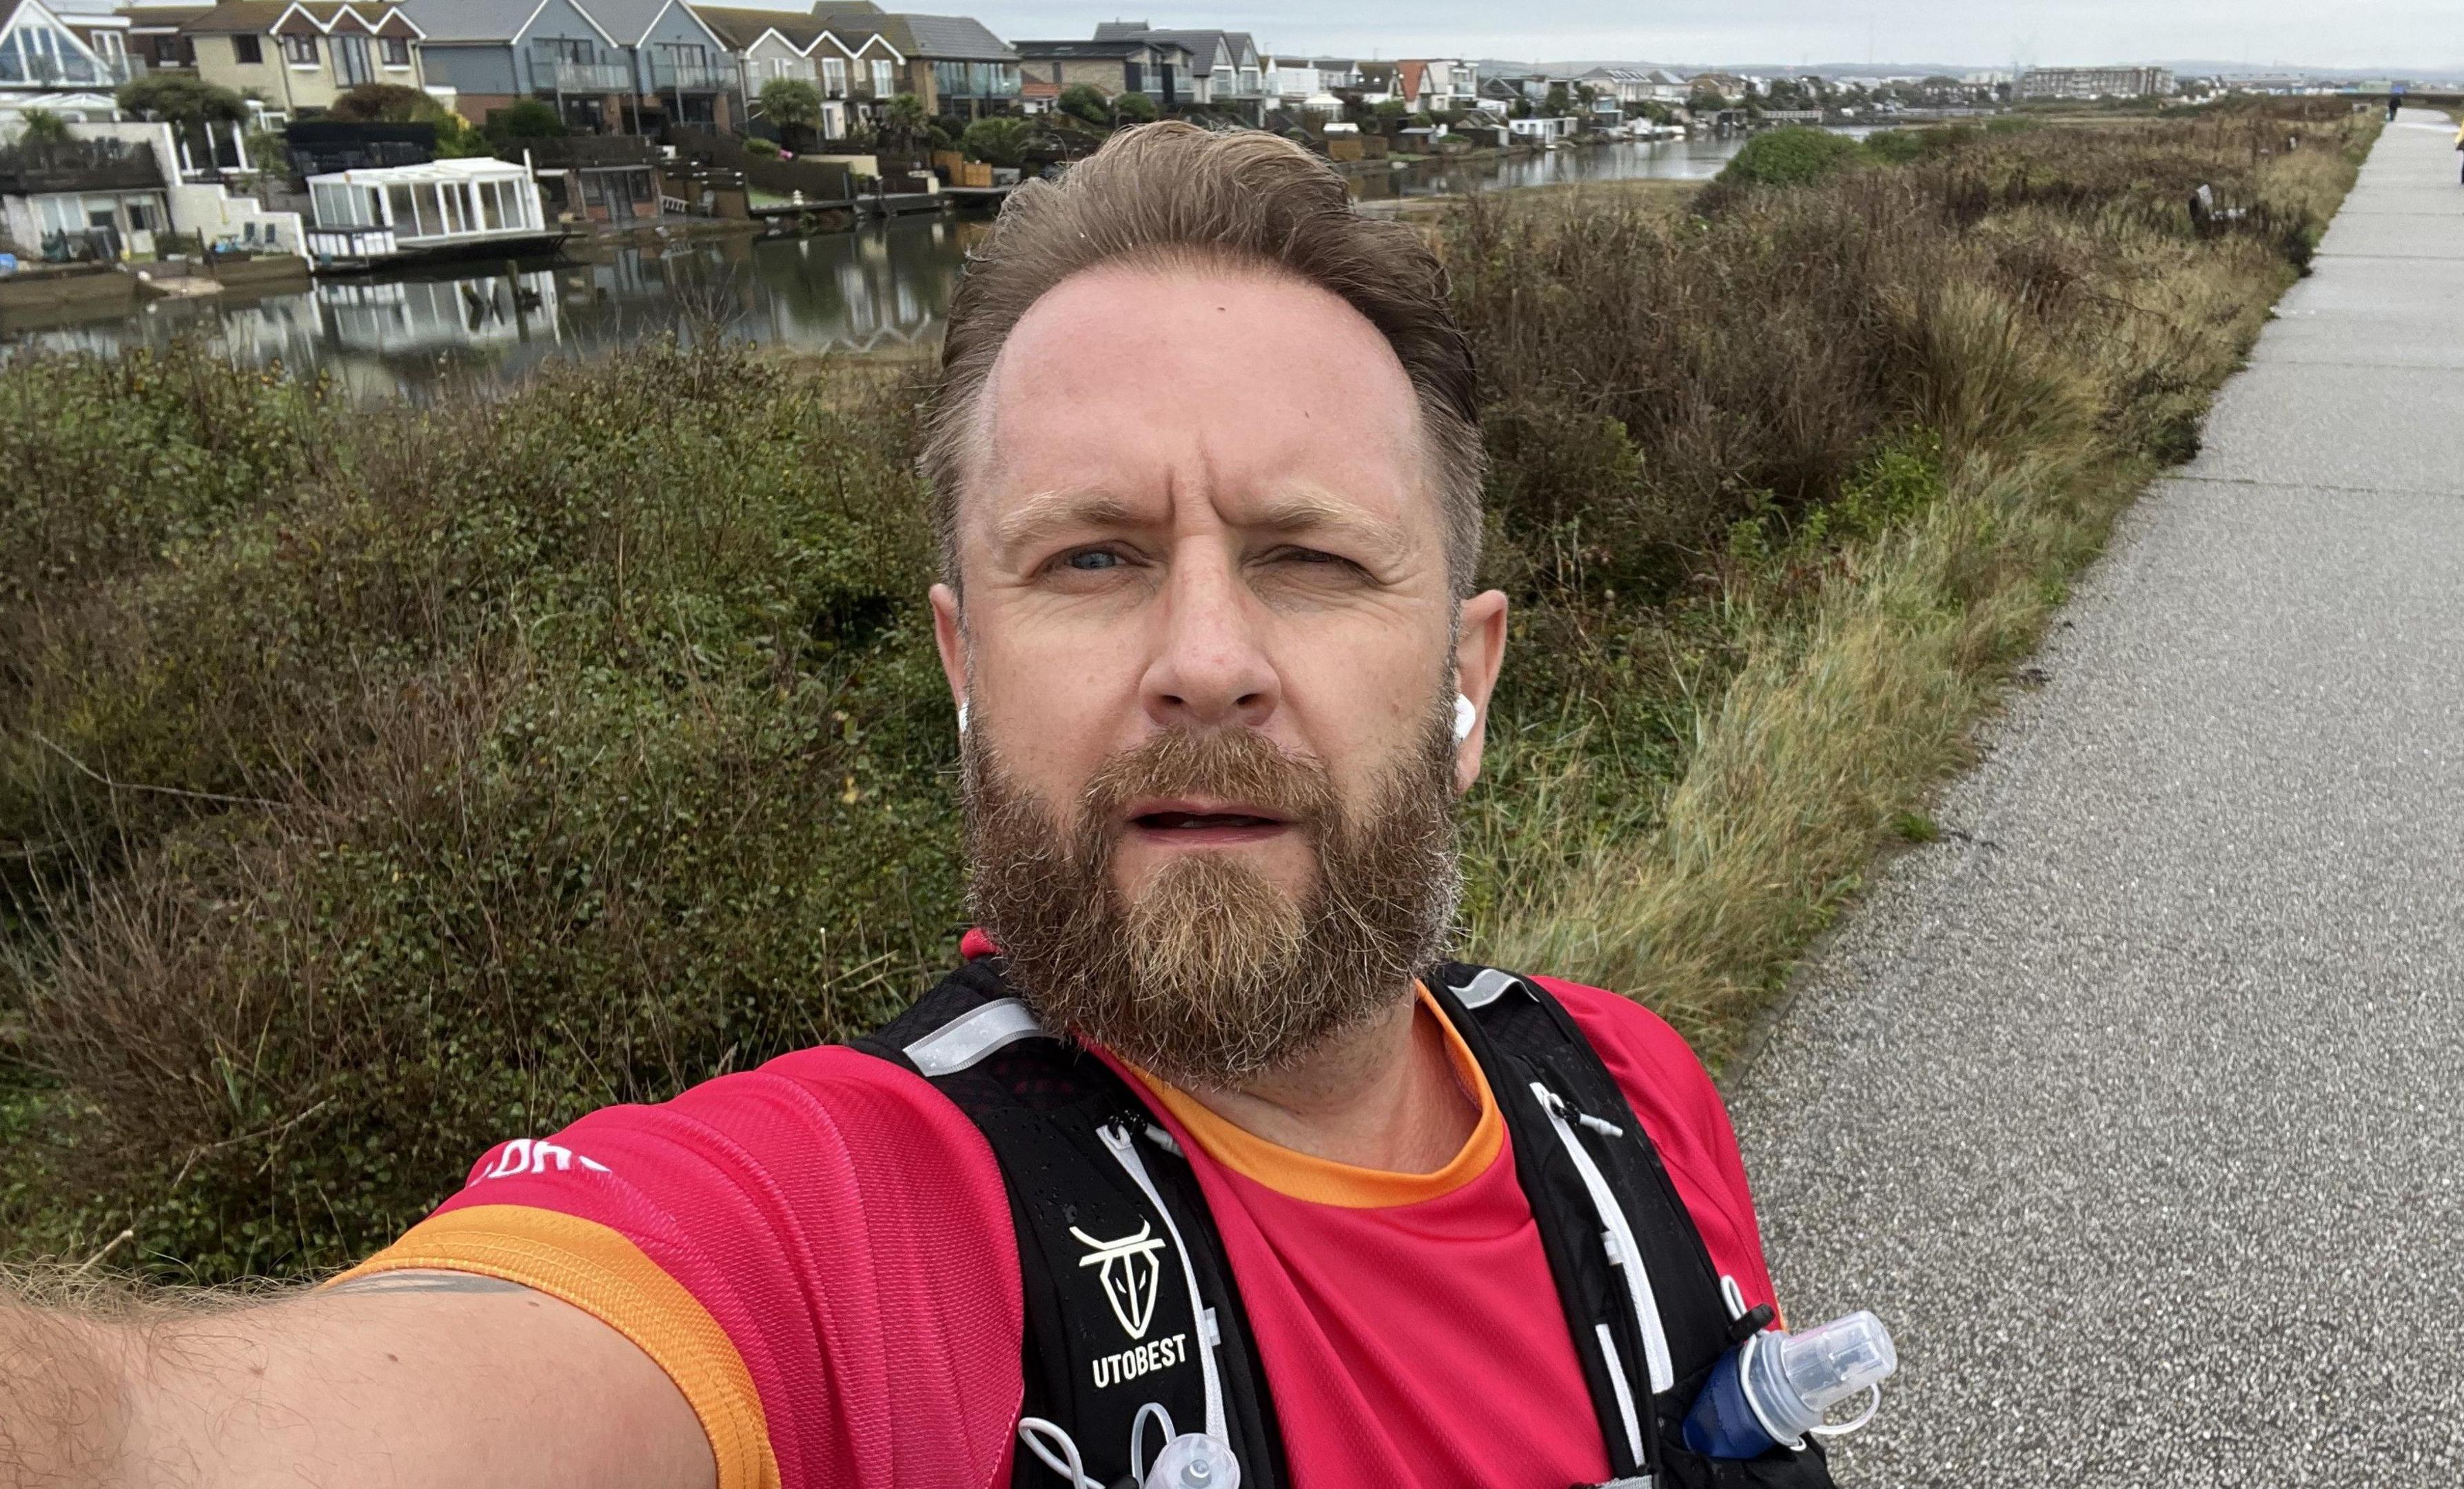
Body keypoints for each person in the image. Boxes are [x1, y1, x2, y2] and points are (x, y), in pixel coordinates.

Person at [0, 123, 1837, 1489]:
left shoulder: (1629, 1099)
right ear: (966, 674)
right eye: (1095, 558)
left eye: (1309, 558)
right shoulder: (851, 1232)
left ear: (1469, 680)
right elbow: (173, 1443)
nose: (1204, 657)